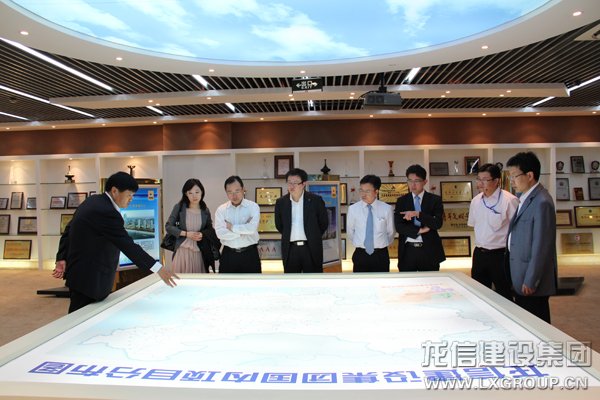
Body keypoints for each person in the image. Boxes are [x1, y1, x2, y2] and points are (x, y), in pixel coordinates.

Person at [53, 172, 178, 313]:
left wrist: (61, 257)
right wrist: (157, 268)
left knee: (80, 314)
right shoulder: (107, 212)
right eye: (129, 195)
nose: (131, 199)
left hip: (80, 274)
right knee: (81, 316)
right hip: (91, 278)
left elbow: (69, 229)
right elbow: (127, 245)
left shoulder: (93, 201)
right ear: (114, 191)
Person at [506, 151, 557, 323]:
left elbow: (542, 246)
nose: (511, 181)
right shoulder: (524, 198)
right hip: (520, 274)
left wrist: (531, 279)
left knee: (537, 324)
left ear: (529, 175)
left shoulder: (542, 202)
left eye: (514, 176)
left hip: (531, 281)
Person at [468, 163, 519, 300]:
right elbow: (474, 224)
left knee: (504, 294)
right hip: (479, 254)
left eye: (485, 180)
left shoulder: (510, 200)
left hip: (500, 255)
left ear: (496, 181)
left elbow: (517, 231)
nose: (480, 183)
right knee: (479, 294)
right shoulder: (475, 201)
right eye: (478, 179)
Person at [274, 168, 328, 273]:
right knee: (292, 280)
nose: (291, 186)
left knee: (313, 279)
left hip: (311, 248)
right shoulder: (281, 202)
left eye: (295, 183)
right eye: (289, 182)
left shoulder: (315, 200)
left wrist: (313, 235)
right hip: (290, 249)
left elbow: (323, 223)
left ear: (303, 184)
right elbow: (279, 225)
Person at [394, 164, 445, 271]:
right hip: (408, 250)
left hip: (429, 250)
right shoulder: (402, 201)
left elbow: (437, 223)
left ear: (425, 182)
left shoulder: (435, 200)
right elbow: (399, 227)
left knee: (430, 281)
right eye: (410, 181)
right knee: (408, 281)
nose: (413, 184)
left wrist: (418, 214)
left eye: (417, 181)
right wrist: (419, 230)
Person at [165, 178, 217, 274]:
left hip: (199, 252)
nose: (194, 196)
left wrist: (202, 234)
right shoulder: (179, 207)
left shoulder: (205, 210)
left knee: (199, 281)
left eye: (197, 192)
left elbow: (210, 229)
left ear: (202, 192)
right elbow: (168, 227)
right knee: (181, 281)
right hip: (182, 252)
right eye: (190, 193)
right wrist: (186, 234)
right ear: (186, 194)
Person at [347, 175, 395, 272]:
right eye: (361, 190)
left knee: (382, 281)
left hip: (380, 255)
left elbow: (391, 232)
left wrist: (379, 244)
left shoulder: (386, 209)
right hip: (361, 254)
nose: (363, 194)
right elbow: (350, 232)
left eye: (367, 191)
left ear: (376, 191)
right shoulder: (353, 209)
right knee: (360, 281)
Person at [214, 176, 261, 273]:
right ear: (226, 192)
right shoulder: (221, 210)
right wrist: (244, 231)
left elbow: (252, 228)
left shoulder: (253, 207)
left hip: (250, 254)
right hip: (228, 255)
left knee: (253, 282)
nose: (234, 195)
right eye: (230, 192)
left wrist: (231, 227)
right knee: (226, 282)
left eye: (237, 191)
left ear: (243, 189)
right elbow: (220, 234)